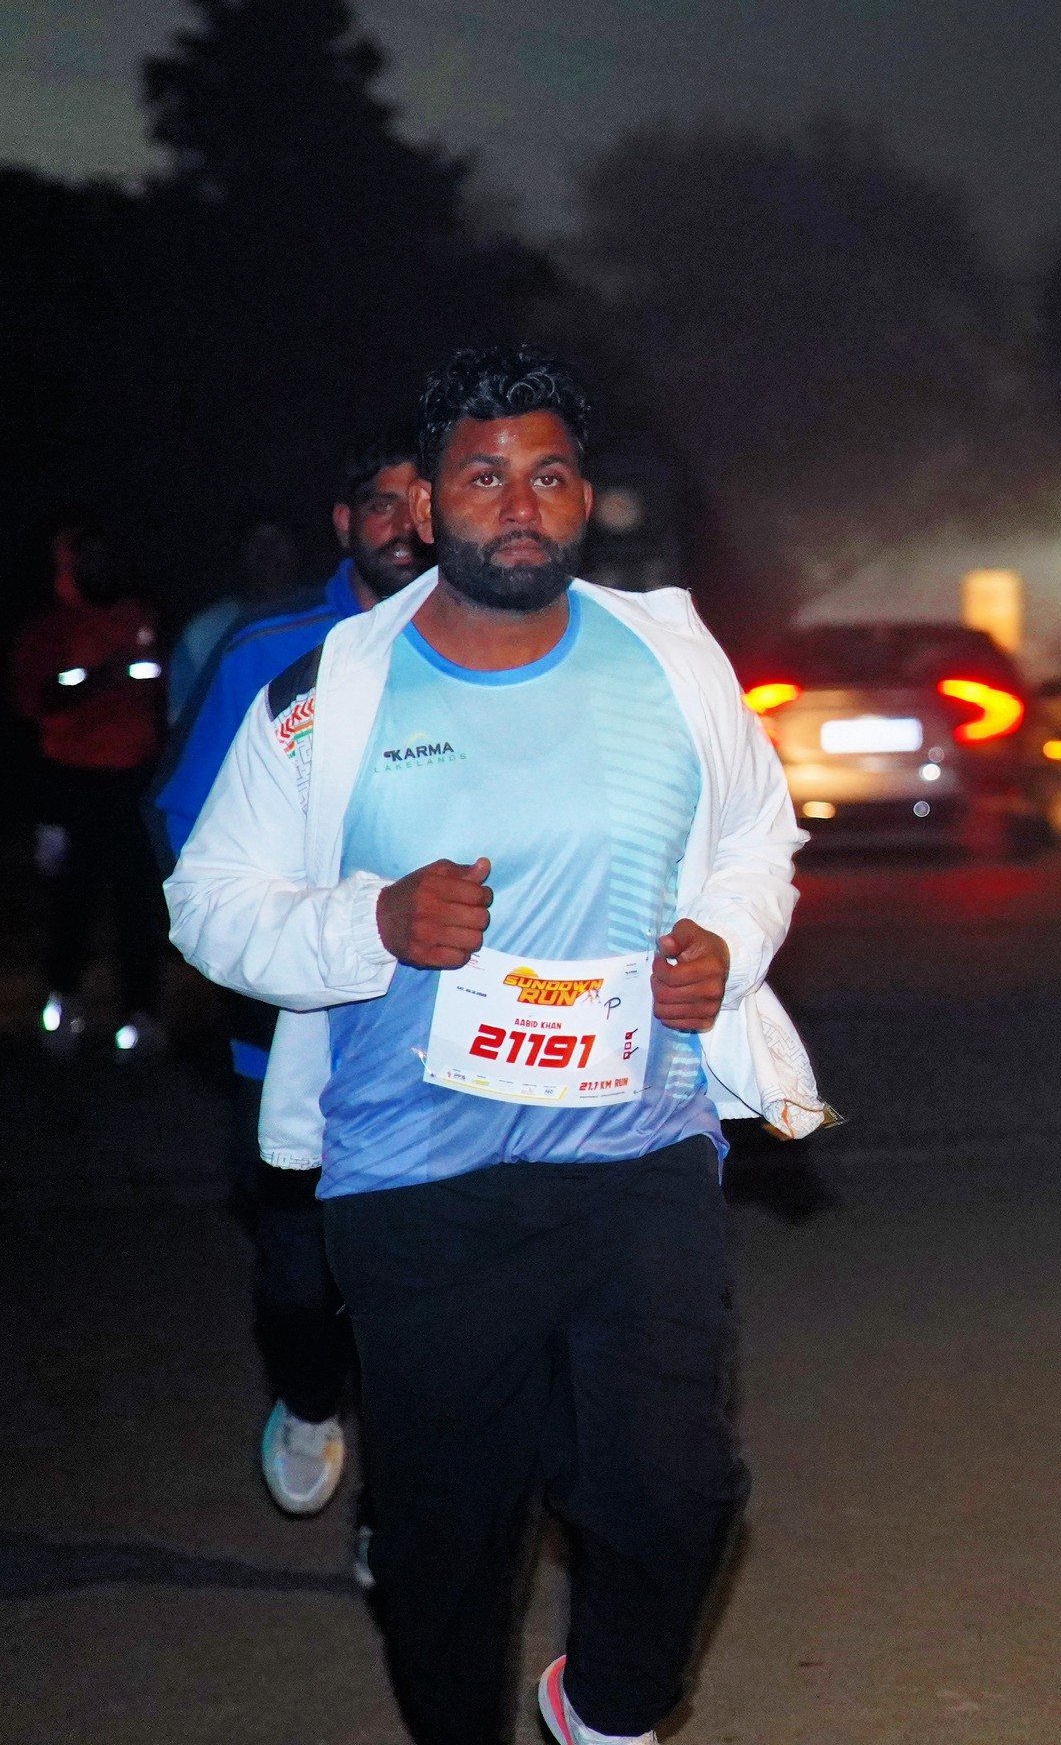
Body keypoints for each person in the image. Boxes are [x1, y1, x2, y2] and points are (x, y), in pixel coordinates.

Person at [166, 347, 805, 1745]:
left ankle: (607, 1707)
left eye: (550, 475)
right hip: (418, 1181)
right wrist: (374, 921)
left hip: (640, 1148)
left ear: (585, 497)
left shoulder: (672, 659)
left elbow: (761, 835)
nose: (521, 505)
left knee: (679, 1489)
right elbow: (207, 904)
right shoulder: (328, 694)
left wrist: (725, 939)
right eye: (484, 476)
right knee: (450, 1544)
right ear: (423, 505)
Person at [148, 424, 429, 1532]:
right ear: (344, 521)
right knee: (300, 1278)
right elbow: (183, 818)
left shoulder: (489, 638)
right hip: (286, 1036)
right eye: (382, 504)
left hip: (444, 1038)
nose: (405, 526)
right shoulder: (265, 649)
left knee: (428, 1295)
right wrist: (256, 953)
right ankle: (310, 1400)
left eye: (424, 502)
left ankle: (400, 1518)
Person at [10, 523, 168, 1058]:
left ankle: (141, 1016)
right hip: (71, 783)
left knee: (137, 903)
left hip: (134, 781)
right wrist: (96, 679)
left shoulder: (142, 615)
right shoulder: (47, 629)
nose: (98, 566)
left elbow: (162, 687)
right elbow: (30, 702)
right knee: (71, 902)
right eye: (87, 557)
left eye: (105, 554)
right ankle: (63, 1009)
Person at [168, 519, 304, 726]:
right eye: (258, 542)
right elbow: (181, 721)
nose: (268, 553)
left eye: (277, 541)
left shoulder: (326, 625)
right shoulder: (206, 631)